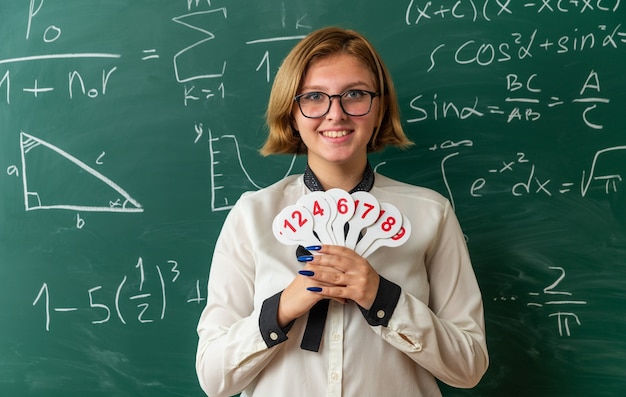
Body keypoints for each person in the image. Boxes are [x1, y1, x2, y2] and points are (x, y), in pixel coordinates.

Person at [196, 26, 489, 397]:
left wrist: (384, 299)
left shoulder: (431, 214)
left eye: (355, 94)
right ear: (292, 111)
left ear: (379, 106)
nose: (335, 114)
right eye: (315, 97)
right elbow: (213, 378)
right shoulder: (253, 216)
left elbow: (469, 366)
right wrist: (284, 307)